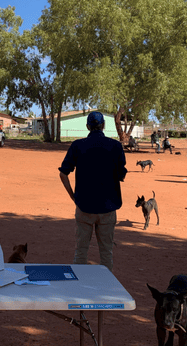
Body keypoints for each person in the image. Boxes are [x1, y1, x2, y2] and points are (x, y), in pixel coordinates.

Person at [58, 111, 127, 272]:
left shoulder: (77, 146)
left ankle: (79, 289)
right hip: (108, 208)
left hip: (84, 207)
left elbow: (63, 174)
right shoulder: (115, 146)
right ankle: (106, 290)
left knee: (81, 252)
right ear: (103, 125)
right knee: (106, 254)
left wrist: (73, 196)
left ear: (88, 126)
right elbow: (121, 174)